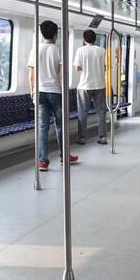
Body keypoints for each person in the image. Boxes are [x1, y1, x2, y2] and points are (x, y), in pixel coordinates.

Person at [28, 20, 80, 171]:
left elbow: (31, 75)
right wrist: (64, 92)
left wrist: (32, 92)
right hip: (55, 92)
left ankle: (43, 161)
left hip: (40, 92)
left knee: (42, 127)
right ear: (56, 34)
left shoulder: (35, 49)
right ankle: (64, 156)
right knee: (60, 126)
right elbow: (60, 74)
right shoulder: (58, 50)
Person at [73, 29, 107, 145]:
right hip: (100, 85)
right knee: (101, 112)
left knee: (83, 113)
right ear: (95, 39)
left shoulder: (80, 50)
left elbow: (77, 68)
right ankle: (102, 137)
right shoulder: (102, 51)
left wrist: (85, 69)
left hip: (84, 86)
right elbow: (106, 67)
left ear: (84, 39)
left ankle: (82, 138)